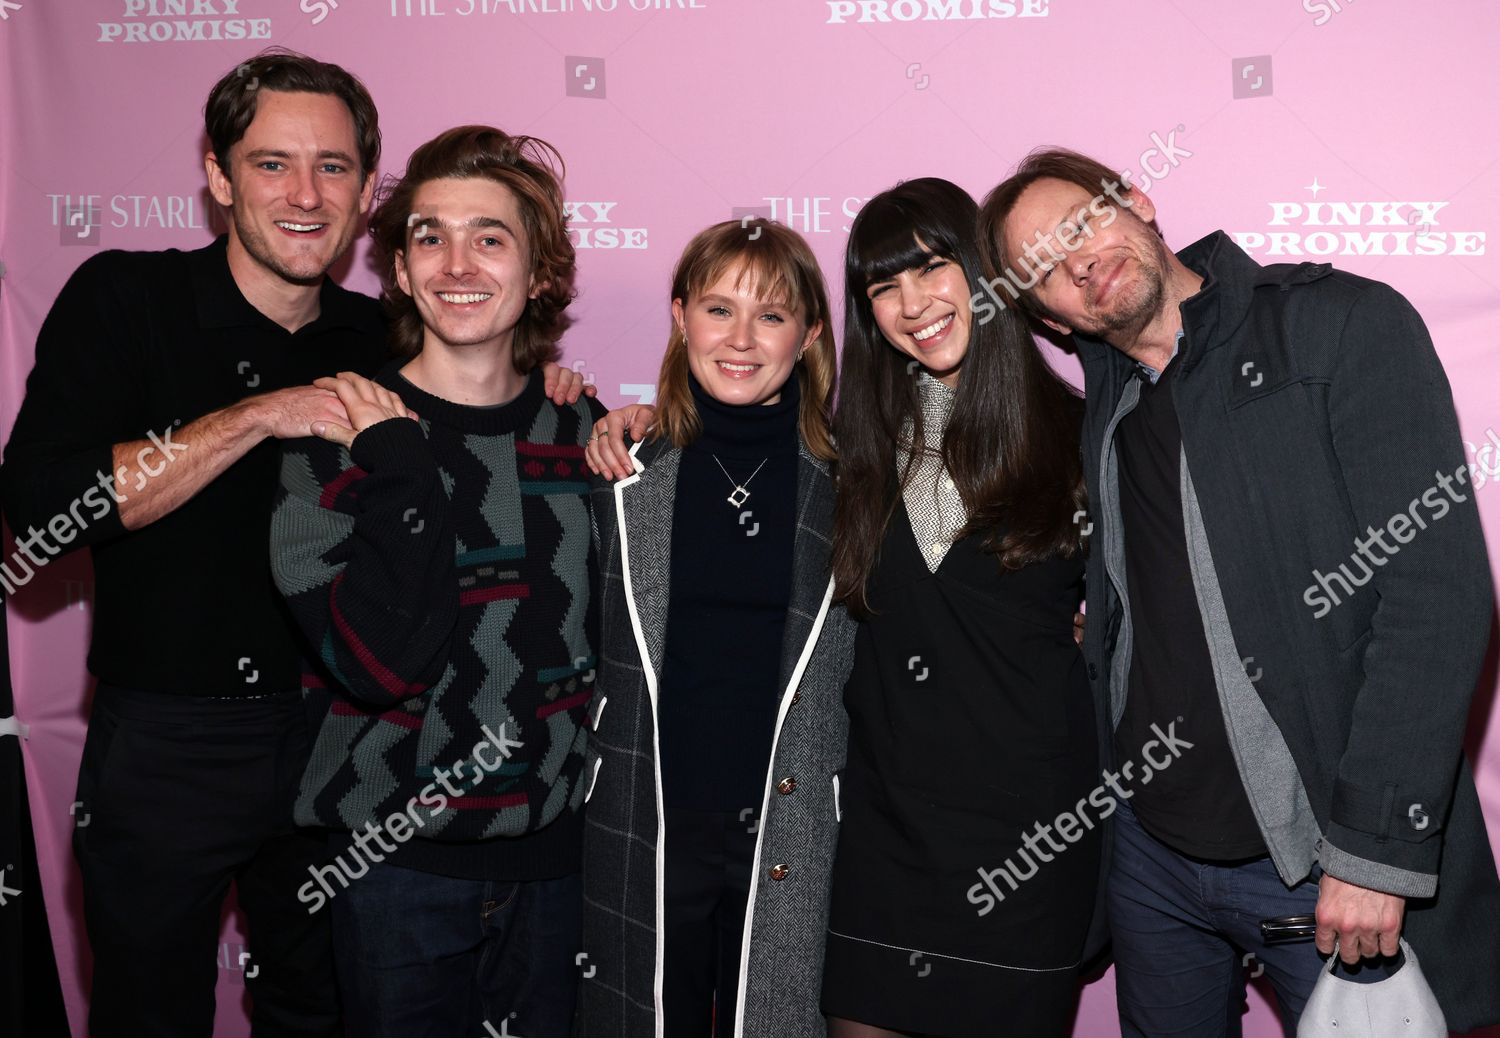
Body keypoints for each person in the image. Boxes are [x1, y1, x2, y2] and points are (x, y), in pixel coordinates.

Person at [0, 51, 589, 1037]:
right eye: (272, 165)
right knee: (148, 1011)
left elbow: (487, 401)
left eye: (334, 168)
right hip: (170, 743)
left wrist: (566, 395)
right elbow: (50, 507)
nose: (305, 195)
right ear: (220, 178)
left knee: (318, 1012)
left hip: (337, 750)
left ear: (366, 191)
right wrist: (260, 415)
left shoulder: (380, 337)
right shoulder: (126, 301)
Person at [979, 148, 1500, 1035]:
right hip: (1150, 858)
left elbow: (1437, 595)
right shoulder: (1105, 406)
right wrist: (663, 419)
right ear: (1049, 320)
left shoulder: (1337, 327)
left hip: (1319, 862)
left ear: (1135, 199)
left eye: (1081, 223)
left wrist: (1376, 852)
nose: (1079, 261)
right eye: (1043, 271)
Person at [269, 124, 602, 1038]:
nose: (457, 261)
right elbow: (377, 665)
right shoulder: (331, 436)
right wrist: (401, 461)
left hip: (561, 867)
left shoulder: (589, 437)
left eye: (490, 237)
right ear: (402, 273)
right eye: (429, 236)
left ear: (539, 275)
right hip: (392, 869)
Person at [576, 218, 857, 1038]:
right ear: (679, 317)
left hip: (794, 823)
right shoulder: (621, 467)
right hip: (644, 817)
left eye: (771, 316)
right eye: (718, 309)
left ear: (808, 335)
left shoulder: (856, 482)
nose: (741, 339)